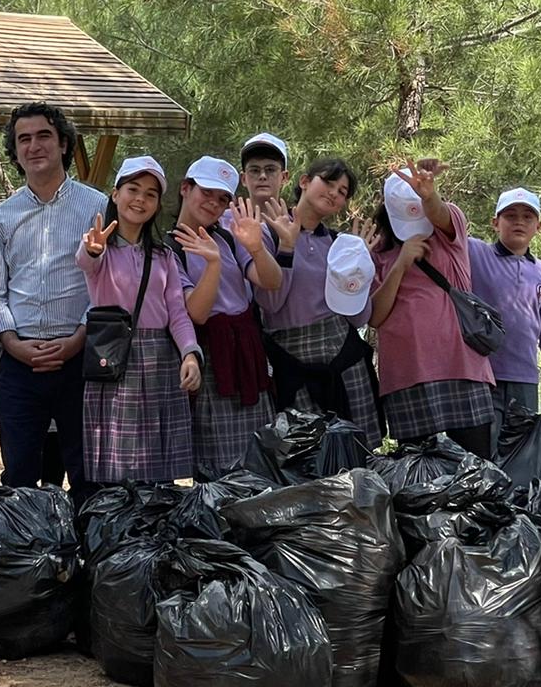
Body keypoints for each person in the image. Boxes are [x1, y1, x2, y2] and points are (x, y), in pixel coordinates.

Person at [0, 103, 107, 493]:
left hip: (81, 359)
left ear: (64, 143)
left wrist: (76, 341)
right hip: (20, 364)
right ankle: (29, 554)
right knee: (19, 473)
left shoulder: (98, 207)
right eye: (24, 139)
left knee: (86, 473)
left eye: (43, 136)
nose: (33, 146)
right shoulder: (1, 217)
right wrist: (14, 345)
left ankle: (88, 552)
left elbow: (107, 286)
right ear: (15, 151)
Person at [77, 156, 202, 484]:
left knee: (159, 471)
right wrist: (93, 250)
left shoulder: (164, 256)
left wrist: (190, 353)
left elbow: (177, 312)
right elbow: (87, 262)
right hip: (115, 358)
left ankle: (153, 530)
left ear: (158, 204)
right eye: (133, 189)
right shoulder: (99, 246)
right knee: (117, 470)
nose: (140, 199)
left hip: (159, 358)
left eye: (150, 194)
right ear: (115, 194)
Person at [368, 165, 494, 456]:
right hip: (406, 373)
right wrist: (400, 264)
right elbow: (375, 316)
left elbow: (438, 212)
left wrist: (428, 195)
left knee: (477, 471)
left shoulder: (449, 231)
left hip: (461, 367)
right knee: (420, 479)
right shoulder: (378, 251)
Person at [255, 156, 380, 441]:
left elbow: (360, 317)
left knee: (361, 455)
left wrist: (360, 270)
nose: (334, 193)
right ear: (304, 182)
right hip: (292, 365)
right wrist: (286, 247)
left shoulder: (340, 244)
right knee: (306, 464)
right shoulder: (267, 233)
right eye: (328, 182)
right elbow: (270, 304)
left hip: (344, 362)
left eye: (343, 191)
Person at [172, 156, 281, 476]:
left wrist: (257, 248)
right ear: (185, 188)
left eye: (222, 198)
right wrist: (214, 265)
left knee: (258, 462)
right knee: (216, 467)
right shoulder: (169, 249)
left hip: (248, 359)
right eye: (206, 192)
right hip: (211, 361)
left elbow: (271, 283)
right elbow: (197, 313)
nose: (214, 203)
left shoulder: (229, 237)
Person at [467, 187, 541, 426]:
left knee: (520, 456)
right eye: (510, 216)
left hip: (524, 380)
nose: (519, 222)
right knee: (484, 456)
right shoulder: (476, 253)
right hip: (481, 376)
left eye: (527, 217)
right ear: (496, 222)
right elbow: (445, 229)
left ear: (538, 226)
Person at [237, 132, 290, 219]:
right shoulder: (223, 222)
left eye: (270, 170)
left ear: (284, 177)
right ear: (243, 179)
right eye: (254, 170)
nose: (262, 176)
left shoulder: (296, 225)